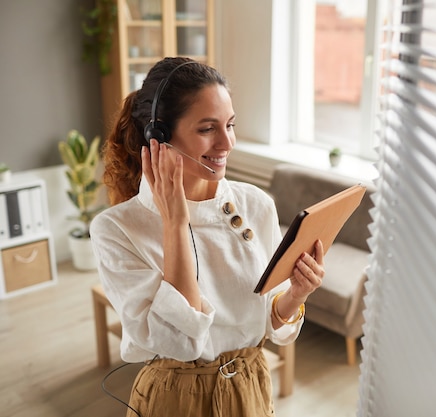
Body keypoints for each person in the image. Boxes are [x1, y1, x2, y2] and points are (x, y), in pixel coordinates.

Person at [90, 57, 325, 417]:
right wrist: (175, 223)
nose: (227, 143)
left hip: (250, 386)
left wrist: (295, 294)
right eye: (207, 129)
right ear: (159, 137)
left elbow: (269, 323)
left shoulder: (256, 205)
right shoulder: (116, 229)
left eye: (230, 125)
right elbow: (181, 342)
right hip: (175, 396)